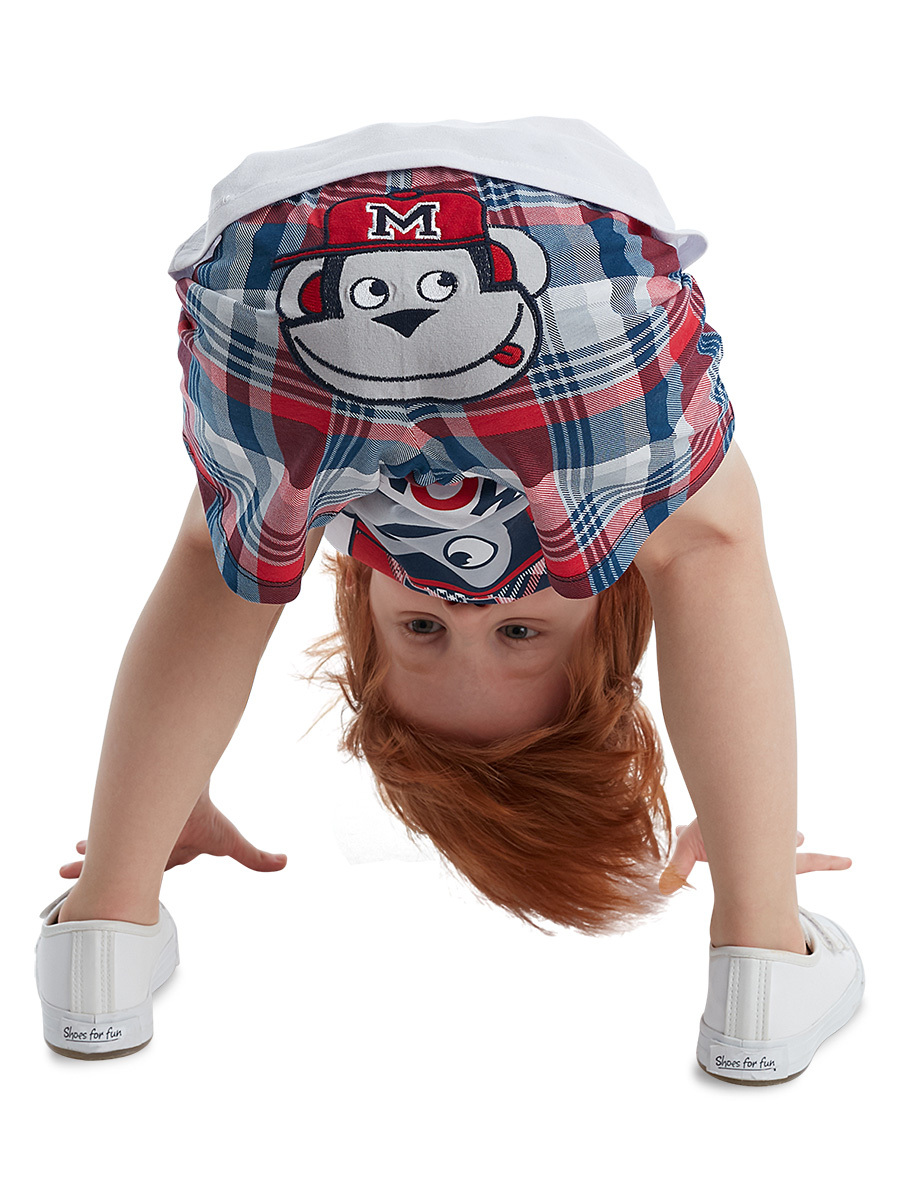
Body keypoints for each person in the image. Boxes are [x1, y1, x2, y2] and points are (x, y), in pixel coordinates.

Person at [35, 117, 864, 1083]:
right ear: (614, 615)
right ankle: (102, 940)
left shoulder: (613, 512)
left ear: (360, 621)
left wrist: (740, 823)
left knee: (709, 544)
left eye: (423, 629)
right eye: (520, 632)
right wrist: (145, 828)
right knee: (232, 560)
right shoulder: (335, 503)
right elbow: (212, 578)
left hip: (560, 253)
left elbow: (712, 560)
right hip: (277, 261)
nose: (469, 608)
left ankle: (764, 963)